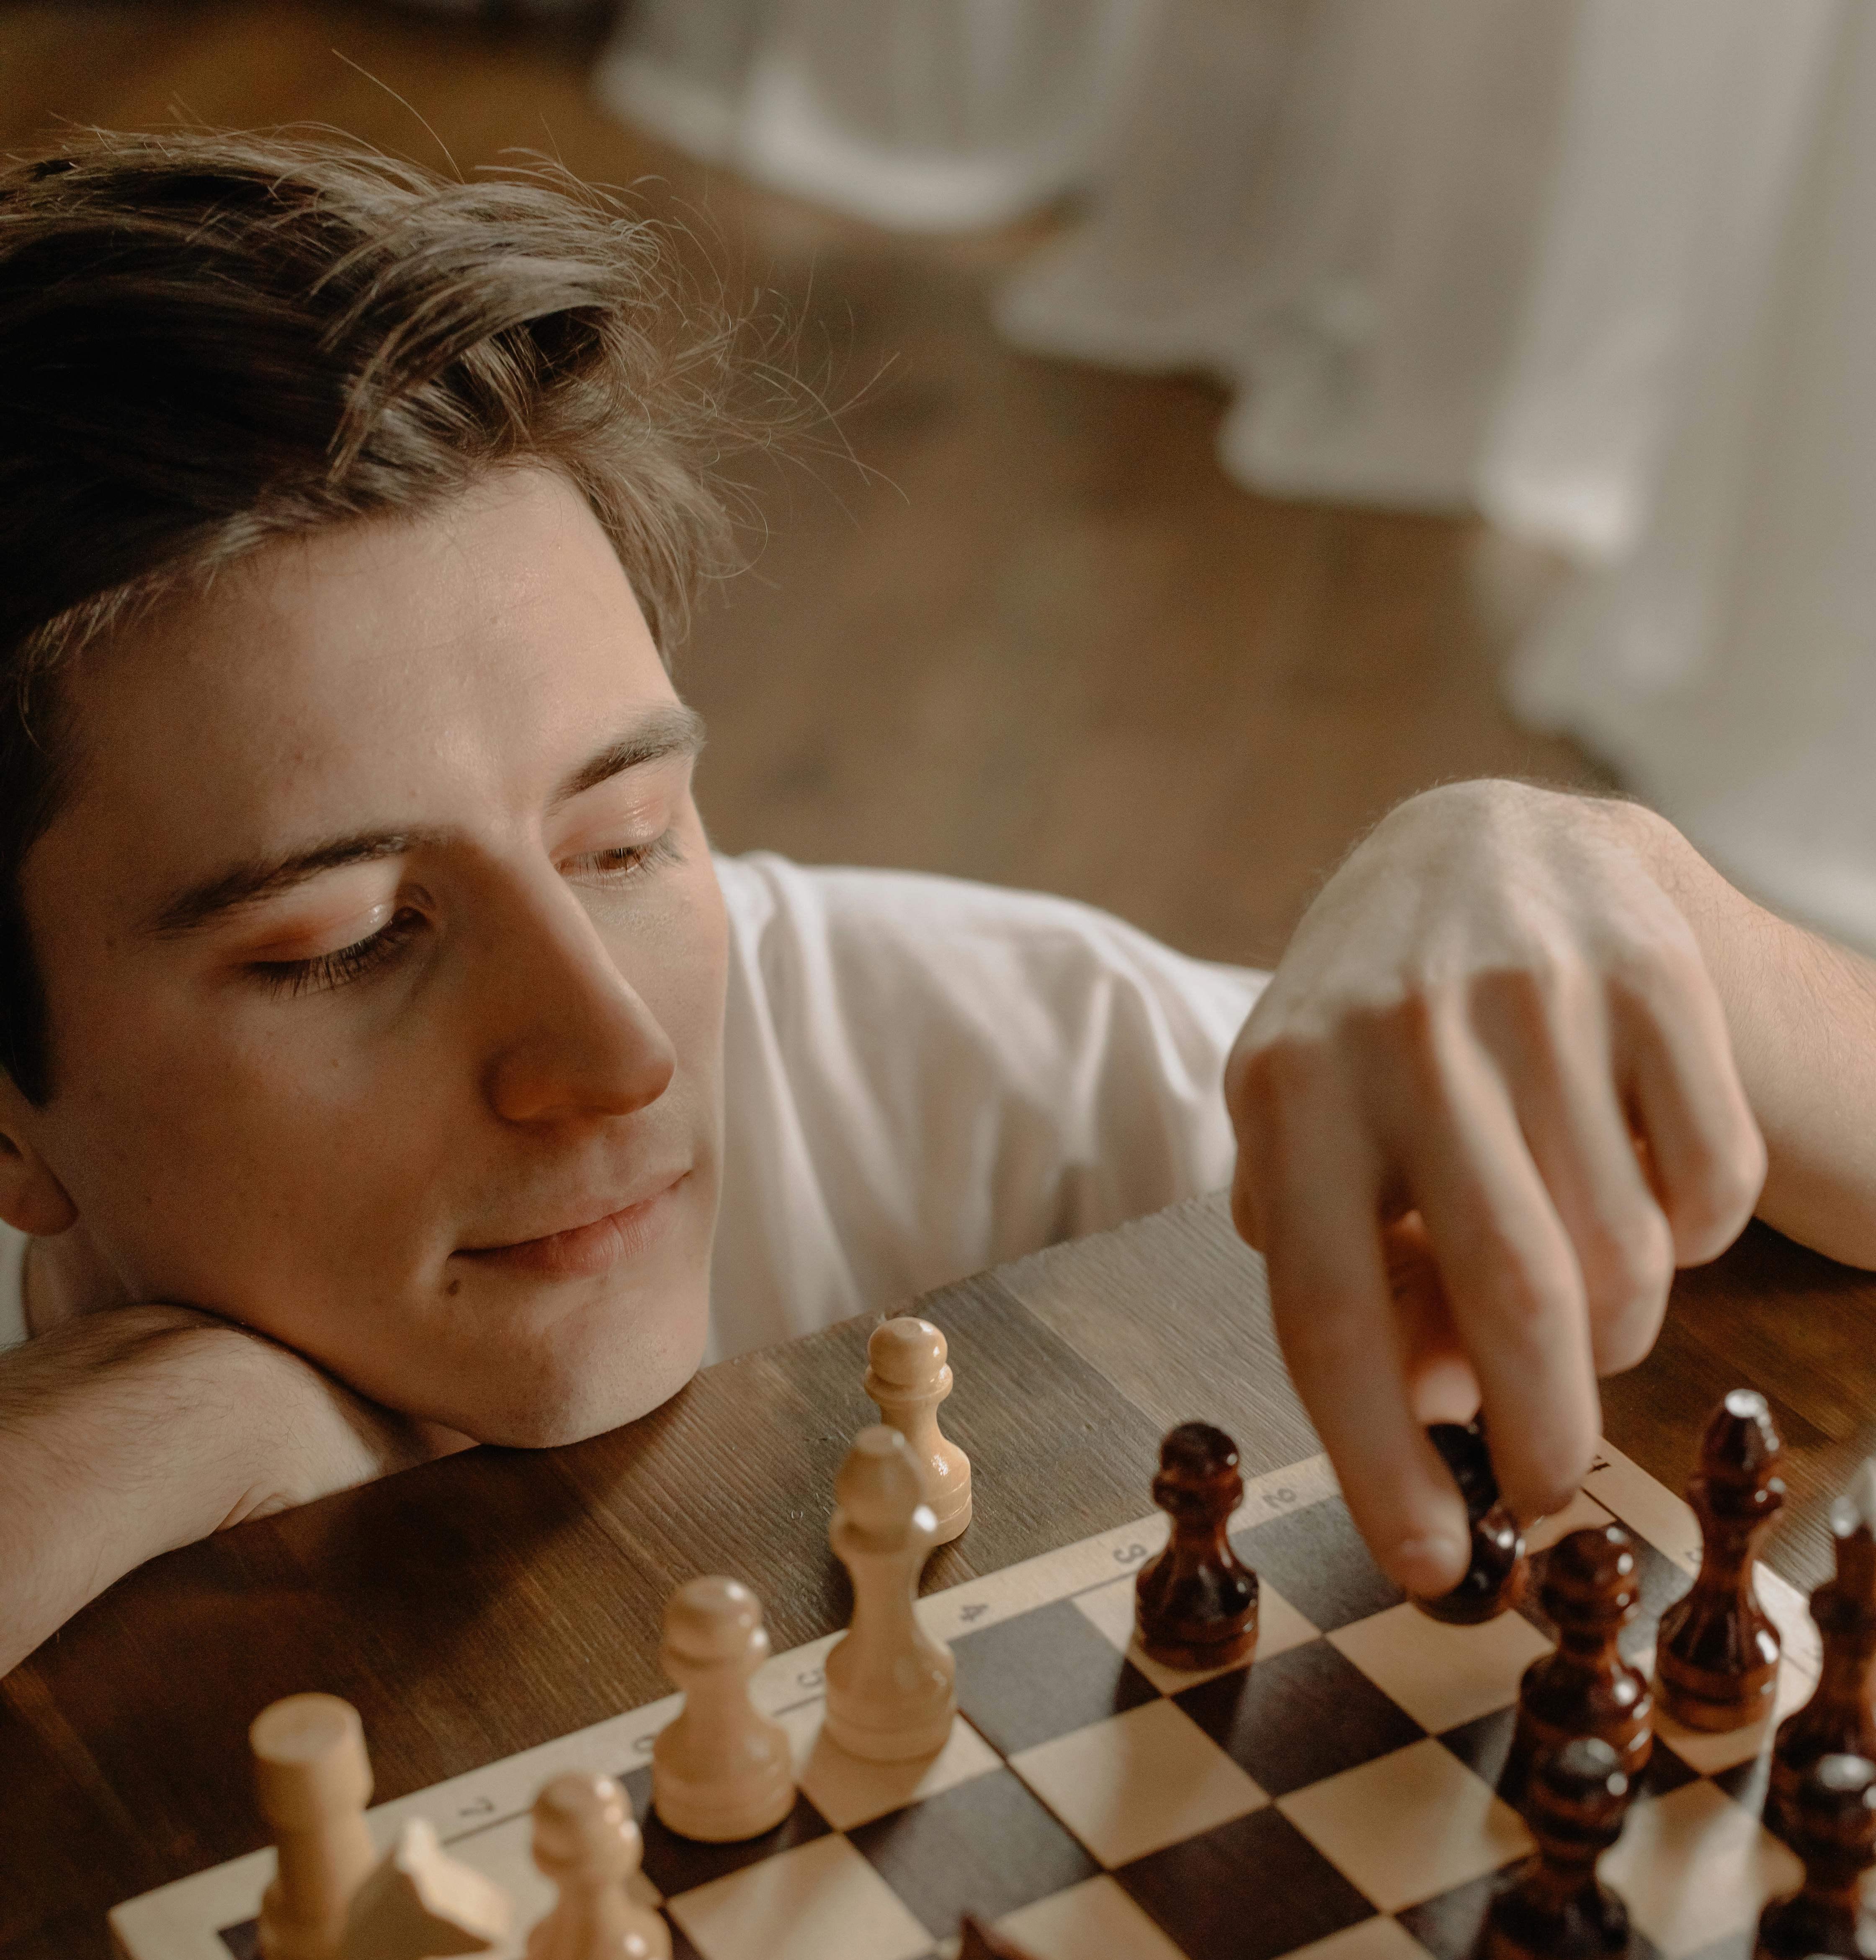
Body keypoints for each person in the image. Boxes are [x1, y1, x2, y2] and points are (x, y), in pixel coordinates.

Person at [0, 133, 1871, 1682]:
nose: (619, 1051)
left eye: (630, 836)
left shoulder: (978, 1061)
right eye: (347, 945)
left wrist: (1632, 895)